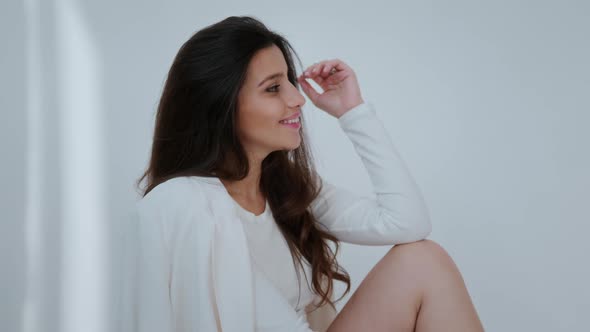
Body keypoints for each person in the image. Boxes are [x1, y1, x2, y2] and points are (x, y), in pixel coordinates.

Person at [130, 15, 484, 332]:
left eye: (288, 82)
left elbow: (408, 223)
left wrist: (353, 113)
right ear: (220, 106)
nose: (298, 99)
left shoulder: (286, 189)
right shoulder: (184, 204)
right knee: (422, 261)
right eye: (273, 88)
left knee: (422, 260)